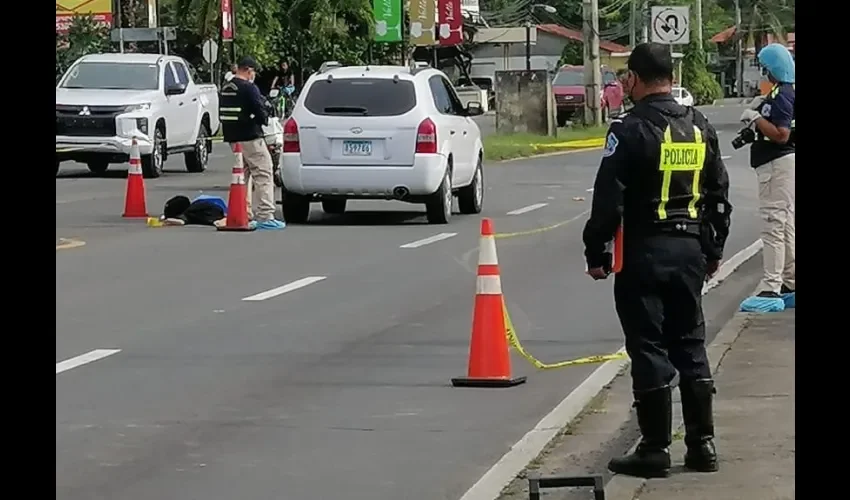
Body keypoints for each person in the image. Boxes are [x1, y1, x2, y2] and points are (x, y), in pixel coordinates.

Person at [582, 42, 732, 479]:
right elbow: (718, 195)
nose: (624, 84)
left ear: (638, 78)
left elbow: (608, 198)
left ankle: (655, 448)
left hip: (644, 252)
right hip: (689, 251)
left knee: (648, 346)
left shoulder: (628, 129)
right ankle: (703, 445)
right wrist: (714, 249)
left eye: (627, 76)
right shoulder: (699, 126)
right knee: (690, 342)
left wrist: (597, 251)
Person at [739, 43, 795, 308]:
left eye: (765, 68)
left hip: (777, 165)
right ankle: (790, 281)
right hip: (780, 166)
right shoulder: (781, 92)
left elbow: (781, 135)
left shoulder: (782, 94)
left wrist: (754, 118)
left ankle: (771, 288)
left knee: (773, 225)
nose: (763, 73)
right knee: (785, 225)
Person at [219, 56, 286, 230]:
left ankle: (244, 212)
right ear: (249, 71)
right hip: (250, 137)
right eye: (253, 72)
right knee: (264, 172)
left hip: (233, 138)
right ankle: (265, 215)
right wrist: (263, 116)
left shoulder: (226, 87)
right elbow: (261, 112)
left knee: (244, 176)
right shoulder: (249, 88)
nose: (253, 75)